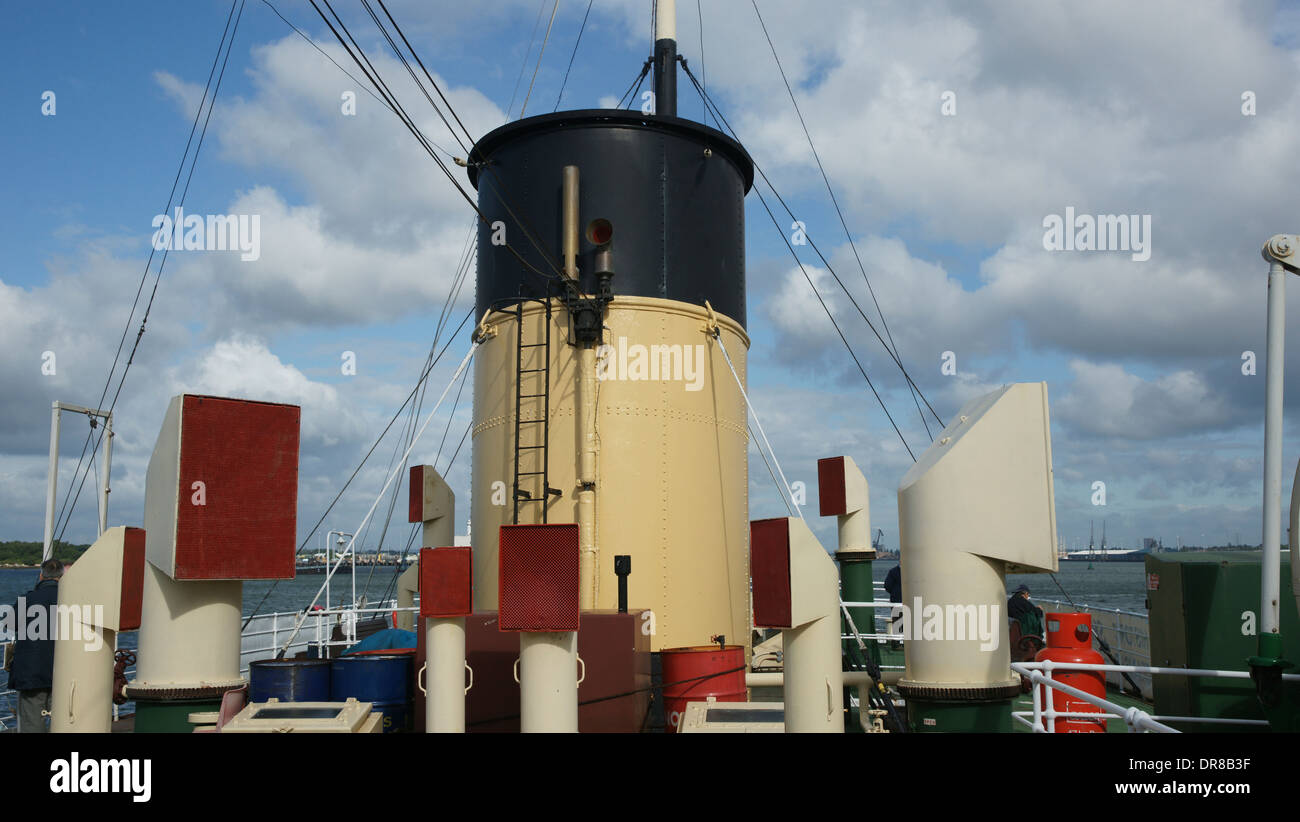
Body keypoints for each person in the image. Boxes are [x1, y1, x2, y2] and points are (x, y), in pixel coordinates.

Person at [9, 558, 63, 733]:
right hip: (63, 669)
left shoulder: (28, 598)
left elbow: (10, 623)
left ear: (41, 575)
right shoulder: (71, 600)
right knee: (64, 719)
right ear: (61, 577)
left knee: (32, 721)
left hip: (31, 671)